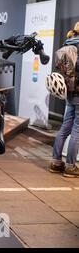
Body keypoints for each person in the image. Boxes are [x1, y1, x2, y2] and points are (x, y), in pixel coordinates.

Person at [51, 22, 79, 178]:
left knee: (65, 128)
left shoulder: (65, 46)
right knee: (77, 130)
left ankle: (55, 162)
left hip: (69, 93)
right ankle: (70, 167)